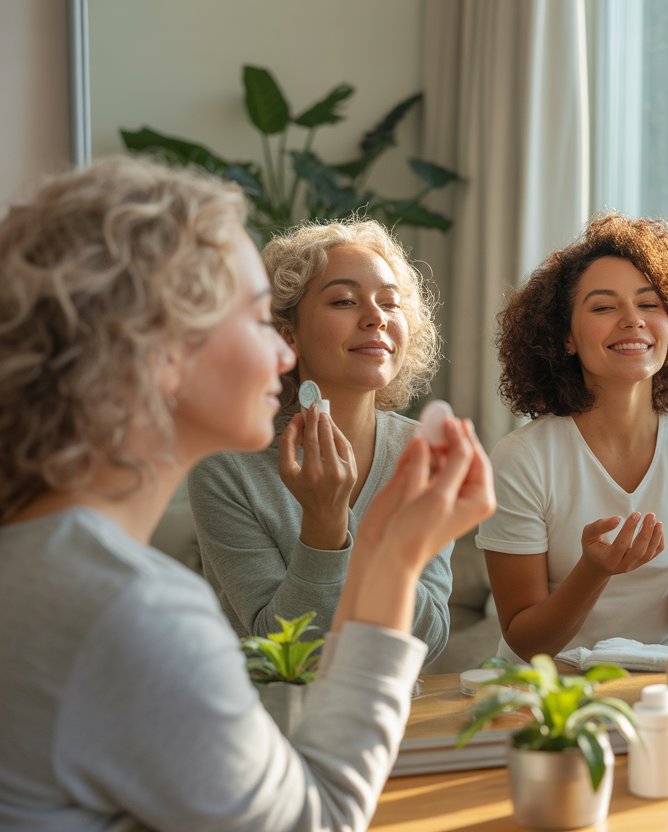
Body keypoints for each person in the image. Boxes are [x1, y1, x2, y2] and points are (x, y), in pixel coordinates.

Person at [0, 158, 495, 829]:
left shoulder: (42, 561)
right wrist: (391, 554)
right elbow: (315, 821)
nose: (285, 356)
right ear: (158, 349)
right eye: (261, 319)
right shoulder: (132, 611)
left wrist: (382, 541)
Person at [477, 213, 668, 661]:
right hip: (549, 698)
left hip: (660, 691)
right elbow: (525, 640)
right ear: (566, 336)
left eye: (649, 305)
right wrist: (592, 571)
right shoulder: (522, 459)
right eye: (604, 307)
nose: (632, 321)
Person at [189, 218, 454, 660]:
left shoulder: (425, 454)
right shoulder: (226, 467)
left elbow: (428, 642)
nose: (376, 318)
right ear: (288, 334)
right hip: (273, 722)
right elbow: (285, 652)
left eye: (390, 304)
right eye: (345, 301)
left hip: (395, 718)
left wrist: (372, 543)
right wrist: (324, 528)